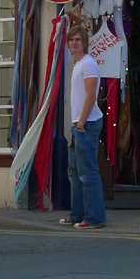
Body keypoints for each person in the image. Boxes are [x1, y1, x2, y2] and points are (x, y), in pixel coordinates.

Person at [62, 25, 107, 230]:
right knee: (75, 172)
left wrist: (81, 121)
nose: (74, 43)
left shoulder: (89, 64)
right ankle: (77, 215)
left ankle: (94, 218)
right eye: (71, 40)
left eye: (78, 40)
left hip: (86, 124)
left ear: (85, 43)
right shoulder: (78, 64)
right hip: (78, 125)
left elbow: (91, 95)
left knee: (88, 173)